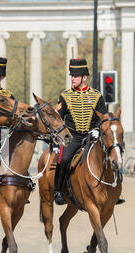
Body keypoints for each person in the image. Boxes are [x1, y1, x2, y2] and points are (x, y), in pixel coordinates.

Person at [52, 58, 123, 205]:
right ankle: (58, 190)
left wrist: (97, 130)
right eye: (71, 76)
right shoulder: (65, 96)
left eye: (75, 76)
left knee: (112, 153)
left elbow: (103, 118)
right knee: (64, 159)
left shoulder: (97, 96)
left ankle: (116, 189)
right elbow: (59, 118)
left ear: (84, 77)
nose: (72, 79)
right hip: (73, 137)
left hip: (93, 136)